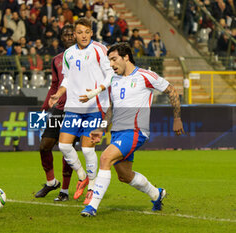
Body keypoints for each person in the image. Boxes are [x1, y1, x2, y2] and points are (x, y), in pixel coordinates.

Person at [80, 42, 184, 217]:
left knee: (105, 157)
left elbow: (172, 91)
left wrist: (177, 117)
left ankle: (92, 207)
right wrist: (101, 128)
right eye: (109, 61)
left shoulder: (145, 76)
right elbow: (112, 109)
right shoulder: (114, 79)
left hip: (135, 131)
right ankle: (157, 194)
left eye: (114, 59)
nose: (111, 65)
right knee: (124, 176)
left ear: (126, 57)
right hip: (118, 133)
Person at [49, 18, 114, 205]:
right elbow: (67, 79)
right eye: (80, 32)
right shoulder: (68, 54)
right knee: (63, 146)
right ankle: (82, 175)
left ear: (91, 33)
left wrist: (96, 91)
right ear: (74, 35)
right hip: (74, 107)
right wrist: (58, 94)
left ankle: (92, 188)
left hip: (95, 107)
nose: (83, 35)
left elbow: (110, 74)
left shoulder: (100, 50)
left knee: (87, 149)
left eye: (87, 32)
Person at [34, 24, 75, 201]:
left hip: (76, 109)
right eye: (65, 34)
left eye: (71, 34)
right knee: (44, 146)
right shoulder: (57, 59)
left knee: (67, 150)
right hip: (59, 108)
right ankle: (51, 182)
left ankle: (65, 191)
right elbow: (54, 85)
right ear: (61, 38)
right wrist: (45, 106)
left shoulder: (86, 57)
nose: (68, 37)